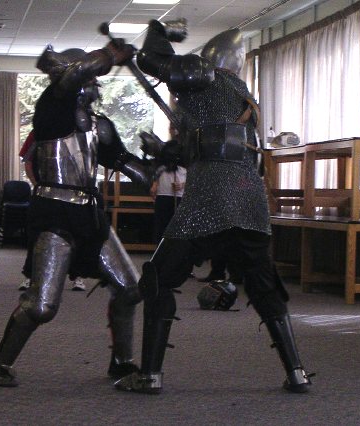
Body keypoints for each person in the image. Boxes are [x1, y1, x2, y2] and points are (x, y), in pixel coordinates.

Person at [115, 19, 312, 394]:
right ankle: (297, 372)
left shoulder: (207, 79)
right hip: (249, 202)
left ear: (210, 60)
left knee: (157, 278)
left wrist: (159, 29)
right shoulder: (243, 95)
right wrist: (166, 151)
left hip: (209, 201)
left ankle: (150, 375)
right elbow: (212, 149)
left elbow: (152, 59)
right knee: (264, 286)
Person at [0, 40, 154, 387]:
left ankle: (122, 363)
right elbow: (77, 74)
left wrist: (168, 159)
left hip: (90, 214)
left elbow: (126, 164)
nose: (95, 82)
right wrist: (111, 54)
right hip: (53, 213)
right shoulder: (52, 109)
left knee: (130, 288)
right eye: (90, 77)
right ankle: (0, 364)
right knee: (41, 306)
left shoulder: (98, 124)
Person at [17, 130, 86, 292]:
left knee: (74, 235)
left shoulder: (77, 134)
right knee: (36, 235)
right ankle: (30, 276)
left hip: (71, 194)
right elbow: (28, 161)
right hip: (45, 193)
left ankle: (77, 276)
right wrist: (36, 184)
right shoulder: (38, 133)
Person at [150, 164, 186, 243]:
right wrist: (155, 184)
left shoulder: (186, 164)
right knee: (160, 227)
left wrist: (182, 185)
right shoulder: (161, 165)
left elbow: (194, 178)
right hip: (162, 195)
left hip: (178, 196)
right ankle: (160, 247)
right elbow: (157, 173)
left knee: (177, 226)